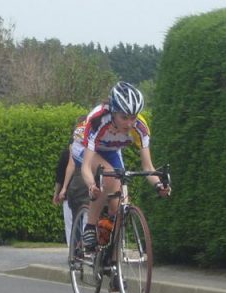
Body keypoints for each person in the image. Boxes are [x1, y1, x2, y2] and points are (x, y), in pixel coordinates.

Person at [79, 82, 171, 254]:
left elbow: (148, 166)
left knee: (121, 205)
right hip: (86, 150)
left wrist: (159, 185)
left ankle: (113, 263)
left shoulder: (140, 128)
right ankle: (90, 227)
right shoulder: (98, 120)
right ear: (113, 112)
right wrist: (92, 185)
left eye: (133, 117)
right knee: (110, 178)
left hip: (112, 150)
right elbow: (85, 167)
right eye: (124, 117)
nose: (129, 123)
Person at [55, 116, 90, 247]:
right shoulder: (75, 145)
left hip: (88, 179)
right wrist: (64, 188)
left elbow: (70, 166)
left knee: (79, 220)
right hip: (82, 181)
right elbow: (71, 165)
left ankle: (78, 249)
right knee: (79, 218)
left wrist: (63, 188)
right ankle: (77, 250)